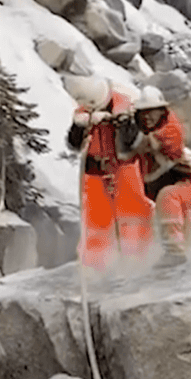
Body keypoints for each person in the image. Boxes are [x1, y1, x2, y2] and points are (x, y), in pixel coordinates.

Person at [64, 76, 152, 271]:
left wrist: (122, 121)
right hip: (95, 171)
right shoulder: (84, 109)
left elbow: (133, 143)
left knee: (133, 214)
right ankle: (97, 266)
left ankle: (139, 260)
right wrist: (79, 126)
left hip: (123, 167)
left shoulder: (125, 105)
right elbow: (74, 144)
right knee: (97, 222)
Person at [126, 86, 191, 266]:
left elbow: (159, 145)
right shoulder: (147, 132)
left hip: (188, 185)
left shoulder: (170, 130)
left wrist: (136, 138)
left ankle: (174, 252)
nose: (146, 117)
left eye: (151, 112)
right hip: (162, 190)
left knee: (168, 197)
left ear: (161, 111)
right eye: (143, 113)